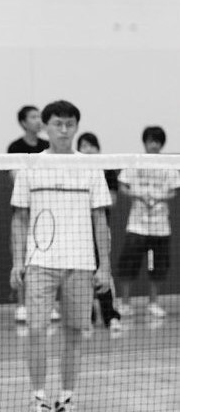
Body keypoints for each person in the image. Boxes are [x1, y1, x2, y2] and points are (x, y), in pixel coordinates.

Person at [10, 100, 112, 412]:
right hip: (40, 263)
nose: (64, 130)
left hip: (81, 264)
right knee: (36, 330)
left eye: (70, 124)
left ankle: (66, 400)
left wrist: (104, 266)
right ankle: (39, 400)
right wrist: (16, 262)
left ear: (76, 127)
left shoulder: (90, 166)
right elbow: (19, 217)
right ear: (46, 126)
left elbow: (101, 218)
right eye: (57, 123)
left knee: (74, 334)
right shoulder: (31, 164)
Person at [115, 126, 180, 318]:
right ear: (145, 142)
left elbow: (174, 190)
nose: (154, 145)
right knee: (129, 266)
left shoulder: (169, 165)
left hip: (160, 228)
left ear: (161, 144)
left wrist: (159, 198)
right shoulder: (135, 163)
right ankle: (125, 303)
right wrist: (139, 195)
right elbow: (122, 186)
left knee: (157, 267)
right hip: (137, 226)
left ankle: (153, 303)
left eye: (157, 141)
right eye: (151, 141)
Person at [7, 107, 51, 324]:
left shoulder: (46, 147)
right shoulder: (16, 147)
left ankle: (48, 305)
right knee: (22, 256)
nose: (38, 120)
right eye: (33, 117)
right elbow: (16, 178)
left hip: (45, 213)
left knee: (46, 257)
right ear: (24, 122)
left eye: (39, 116)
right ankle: (21, 304)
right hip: (24, 209)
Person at [77, 132, 122, 336]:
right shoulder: (74, 171)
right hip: (78, 233)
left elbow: (110, 200)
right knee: (81, 275)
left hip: (101, 231)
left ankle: (110, 316)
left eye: (90, 145)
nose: (87, 150)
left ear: (97, 148)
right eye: (82, 146)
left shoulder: (107, 170)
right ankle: (87, 317)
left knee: (104, 273)